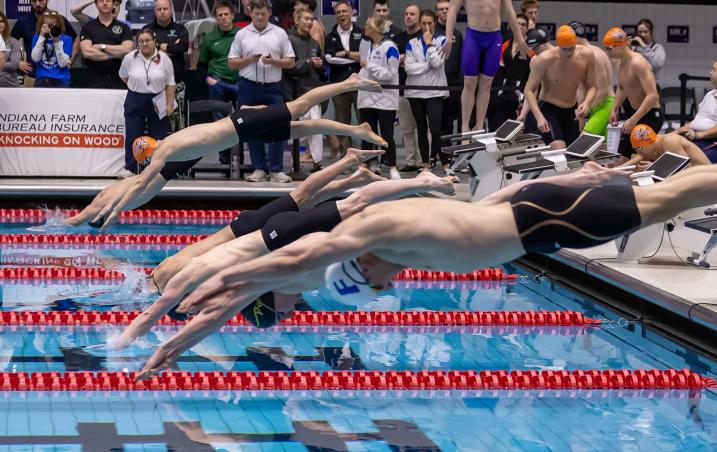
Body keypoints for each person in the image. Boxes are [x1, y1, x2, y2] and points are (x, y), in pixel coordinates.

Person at [134, 148, 717, 377]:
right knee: (663, 197)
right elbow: (256, 286)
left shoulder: (372, 236)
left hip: (539, 223)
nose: (384, 287)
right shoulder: (389, 240)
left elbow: (248, 275)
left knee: (670, 198)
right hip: (532, 210)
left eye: (370, 284)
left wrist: (182, 305)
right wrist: (169, 339)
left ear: (362, 267)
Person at [116, 170, 454, 342]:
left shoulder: (194, 275)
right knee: (355, 213)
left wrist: (127, 337)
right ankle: (412, 194)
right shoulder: (228, 287)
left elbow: (155, 311)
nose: (289, 313)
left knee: (355, 206)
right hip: (276, 239)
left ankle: (419, 181)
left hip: (278, 238)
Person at [64, 74, 387, 230]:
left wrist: (114, 214)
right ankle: (356, 131)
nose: (148, 165)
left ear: (148, 152)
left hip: (241, 123)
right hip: (242, 126)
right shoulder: (175, 152)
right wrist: (91, 214)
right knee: (300, 128)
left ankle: (349, 82)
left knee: (300, 108)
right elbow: (139, 190)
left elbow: (137, 185)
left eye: (145, 160)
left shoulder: (167, 150)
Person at [150, 149, 386, 291]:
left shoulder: (168, 280)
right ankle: (354, 179)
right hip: (239, 230)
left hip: (243, 232)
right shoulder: (163, 270)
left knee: (302, 196)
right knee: (305, 199)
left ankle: (348, 161)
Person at [228, 0, 296, 183]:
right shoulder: (241, 34)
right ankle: (258, 168)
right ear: (250, 13)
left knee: (277, 126)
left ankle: (276, 170)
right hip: (249, 86)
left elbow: (290, 61)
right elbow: (232, 63)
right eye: (256, 14)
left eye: (263, 14)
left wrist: (274, 62)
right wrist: (249, 60)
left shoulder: (279, 33)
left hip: (273, 87)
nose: (259, 17)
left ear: (269, 12)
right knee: (251, 127)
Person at [442, 0, 528, 132]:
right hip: (473, 36)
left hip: (494, 38)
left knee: (486, 84)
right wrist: (448, 38)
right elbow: (452, 11)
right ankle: (465, 126)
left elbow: (510, 13)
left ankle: (479, 124)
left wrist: (520, 39)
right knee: (470, 83)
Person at [522, 25, 596, 150]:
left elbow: (592, 86)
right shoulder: (544, 59)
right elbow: (529, 90)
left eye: (572, 48)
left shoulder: (587, 55)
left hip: (571, 111)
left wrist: (587, 103)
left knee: (573, 154)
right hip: (549, 110)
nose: (569, 52)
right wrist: (539, 117)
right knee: (559, 148)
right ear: (558, 45)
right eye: (565, 49)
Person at [118, 28, 175, 179]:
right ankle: (130, 168)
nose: (144, 43)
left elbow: (170, 83)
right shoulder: (130, 57)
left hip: (158, 99)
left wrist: (169, 104)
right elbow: (123, 76)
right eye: (141, 41)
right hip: (135, 99)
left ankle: (161, 168)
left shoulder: (164, 59)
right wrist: (139, 86)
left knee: (160, 136)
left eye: (147, 40)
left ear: (154, 41)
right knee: (132, 133)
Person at [604, 27, 662, 160]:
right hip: (634, 115)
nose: (608, 52)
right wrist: (614, 108)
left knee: (640, 160)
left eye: (609, 48)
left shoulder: (638, 63)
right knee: (621, 159)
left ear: (620, 45)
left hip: (650, 116)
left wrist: (633, 120)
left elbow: (653, 96)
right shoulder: (619, 63)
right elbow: (622, 87)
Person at [405, 10, 451, 176]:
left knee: (436, 129)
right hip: (415, 92)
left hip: (435, 92)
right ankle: (425, 164)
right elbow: (409, 68)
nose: (426, 27)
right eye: (423, 24)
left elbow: (438, 63)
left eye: (429, 23)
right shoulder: (411, 42)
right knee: (421, 129)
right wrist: (427, 67)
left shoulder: (442, 40)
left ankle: (445, 163)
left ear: (434, 23)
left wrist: (430, 44)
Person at [357, 16, 401, 180]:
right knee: (366, 134)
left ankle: (392, 167)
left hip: (385, 100)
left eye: (367, 25)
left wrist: (369, 65)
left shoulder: (390, 47)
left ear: (374, 28)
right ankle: (364, 165)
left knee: (386, 135)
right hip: (366, 98)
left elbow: (390, 74)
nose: (365, 27)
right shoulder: (365, 44)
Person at [199, 0, 241, 164]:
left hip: (239, 82)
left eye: (226, 14)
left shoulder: (241, 34)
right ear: (216, 18)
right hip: (218, 83)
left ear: (232, 16)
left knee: (242, 118)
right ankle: (225, 159)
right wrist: (208, 80)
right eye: (220, 15)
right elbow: (201, 64)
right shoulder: (209, 38)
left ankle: (242, 158)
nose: (223, 18)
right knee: (220, 122)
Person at [284, 5, 325, 171]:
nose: (310, 22)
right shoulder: (288, 40)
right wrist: (309, 63)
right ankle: (295, 165)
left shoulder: (314, 42)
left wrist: (320, 65)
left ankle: (317, 163)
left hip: (313, 92)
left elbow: (321, 67)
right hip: (294, 93)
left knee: (316, 128)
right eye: (306, 19)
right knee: (294, 130)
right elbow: (288, 67)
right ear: (297, 20)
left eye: (312, 19)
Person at [673, 58, 717, 149]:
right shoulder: (710, 93)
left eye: (714, 69)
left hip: (710, 141)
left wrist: (698, 135)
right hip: (695, 136)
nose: (710, 73)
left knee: (669, 146)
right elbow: (698, 121)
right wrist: (675, 132)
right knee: (663, 141)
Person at [324, 0, 363, 159]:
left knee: (364, 119)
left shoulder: (361, 33)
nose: (342, 15)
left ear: (351, 12)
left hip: (360, 83)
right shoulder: (330, 36)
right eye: (338, 12)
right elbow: (330, 59)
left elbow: (365, 57)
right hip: (339, 84)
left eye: (344, 11)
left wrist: (346, 53)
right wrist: (355, 58)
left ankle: (369, 157)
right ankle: (347, 157)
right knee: (342, 122)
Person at [145, 0, 189, 131]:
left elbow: (181, 47)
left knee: (177, 124)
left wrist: (157, 46)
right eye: (159, 9)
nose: (162, 12)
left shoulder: (180, 29)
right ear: (155, 11)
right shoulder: (147, 30)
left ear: (171, 10)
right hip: (152, 86)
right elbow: (144, 51)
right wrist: (170, 47)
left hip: (177, 84)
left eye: (165, 8)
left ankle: (178, 151)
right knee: (153, 123)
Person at [11, 0, 79, 83]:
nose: (37, 4)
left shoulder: (59, 19)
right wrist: (17, 62)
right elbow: (9, 42)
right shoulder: (23, 21)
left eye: (40, 0)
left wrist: (70, 60)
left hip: (59, 77)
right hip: (32, 75)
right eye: (33, 1)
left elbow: (76, 39)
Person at [571, 21, 613, 140]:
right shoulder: (582, 55)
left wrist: (586, 110)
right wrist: (581, 118)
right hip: (593, 106)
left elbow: (602, 91)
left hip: (605, 104)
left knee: (583, 143)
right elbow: (580, 88)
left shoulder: (595, 55)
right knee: (600, 151)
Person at [78, 0, 133, 89]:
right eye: (101, 1)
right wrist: (114, 55)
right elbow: (87, 52)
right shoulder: (88, 26)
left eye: (108, 0)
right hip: (93, 78)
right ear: (96, 4)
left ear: (113, 4)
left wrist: (101, 47)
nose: (104, 3)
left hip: (118, 77)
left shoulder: (124, 27)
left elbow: (127, 49)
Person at [489, 14, 531, 128]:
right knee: (495, 131)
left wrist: (524, 96)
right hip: (502, 97)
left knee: (517, 136)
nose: (520, 27)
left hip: (520, 99)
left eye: (523, 25)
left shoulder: (531, 50)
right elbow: (499, 72)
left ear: (527, 28)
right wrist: (497, 93)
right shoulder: (504, 46)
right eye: (517, 23)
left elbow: (531, 76)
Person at [395, 5, 424, 172]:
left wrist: (408, 60)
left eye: (412, 14)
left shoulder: (424, 38)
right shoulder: (398, 39)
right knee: (406, 128)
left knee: (423, 126)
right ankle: (412, 161)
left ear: (418, 17)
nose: (408, 17)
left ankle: (426, 159)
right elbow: (393, 62)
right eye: (406, 14)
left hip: (422, 89)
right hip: (401, 87)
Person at [434, 0, 464, 137]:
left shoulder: (457, 34)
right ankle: (434, 154)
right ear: (436, 12)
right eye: (441, 9)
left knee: (449, 122)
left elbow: (460, 61)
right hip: (435, 84)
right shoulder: (432, 33)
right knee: (436, 122)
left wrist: (460, 84)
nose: (444, 11)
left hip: (453, 85)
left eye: (447, 9)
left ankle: (448, 156)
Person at [624, 124, 711, 168]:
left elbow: (684, 170)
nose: (640, 153)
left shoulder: (669, 141)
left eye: (639, 149)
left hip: (706, 181)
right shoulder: (656, 146)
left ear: (647, 143)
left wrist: (654, 167)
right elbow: (636, 160)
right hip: (697, 180)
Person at [29, 11, 73, 88]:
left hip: (61, 80)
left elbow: (62, 64)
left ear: (59, 25)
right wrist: (42, 36)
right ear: (41, 26)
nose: (50, 28)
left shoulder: (67, 39)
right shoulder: (37, 37)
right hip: (42, 79)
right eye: (48, 26)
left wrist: (57, 41)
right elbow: (35, 58)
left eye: (53, 26)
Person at [0, 12, 21, 87]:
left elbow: (13, 65)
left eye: (2, 21)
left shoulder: (13, 42)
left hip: (10, 84)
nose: (0, 24)